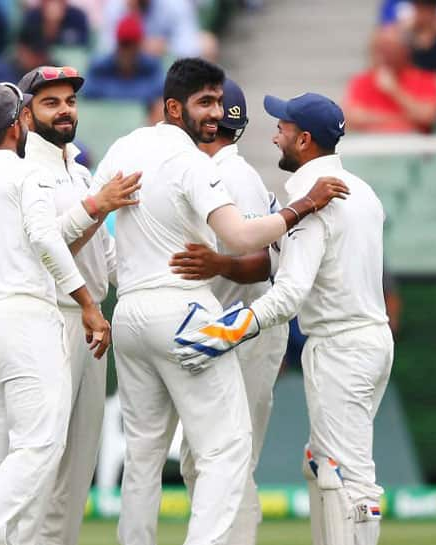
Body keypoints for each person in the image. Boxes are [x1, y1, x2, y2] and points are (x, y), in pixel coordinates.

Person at [93, 58, 347, 545]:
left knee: (150, 457)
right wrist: (301, 206)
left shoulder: (133, 147)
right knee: (225, 455)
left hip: (144, 312)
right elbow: (251, 244)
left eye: (214, 104)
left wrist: (102, 286)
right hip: (198, 319)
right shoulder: (197, 165)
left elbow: (92, 221)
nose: (210, 114)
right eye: (203, 103)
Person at [174, 92, 392, 545]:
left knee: (349, 479)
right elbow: (282, 263)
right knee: (322, 463)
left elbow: (290, 293)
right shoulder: (361, 192)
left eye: (283, 129)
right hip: (364, 342)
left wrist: (224, 333)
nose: (275, 136)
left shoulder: (318, 204)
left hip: (341, 348)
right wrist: (223, 265)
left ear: (305, 140)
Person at [0, 82, 120, 545]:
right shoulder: (25, 175)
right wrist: (88, 303)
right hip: (25, 316)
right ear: (18, 124)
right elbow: (47, 240)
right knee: (41, 444)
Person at [170, 79, 290, 545]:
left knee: (228, 461)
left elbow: (266, 260)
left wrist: (218, 263)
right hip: (223, 330)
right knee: (205, 460)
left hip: (247, 330)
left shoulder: (233, 176)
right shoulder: (208, 171)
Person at [16, 65, 120, 545]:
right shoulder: (26, 173)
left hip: (90, 317)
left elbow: (103, 254)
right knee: (45, 458)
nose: (64, 111)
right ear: (26, 112)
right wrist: (98, 205)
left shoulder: (79, 171)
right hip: (50, 317)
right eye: (51, 102)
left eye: (70, 102)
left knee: (79, 465)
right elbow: (43, 250)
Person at [344, 26, 436, 133]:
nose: (382, 53)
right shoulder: (361, 81)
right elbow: (352, 118)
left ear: (405, 50)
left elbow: (427, 117)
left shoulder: (425, 79)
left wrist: (394, 90)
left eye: (389, 47)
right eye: (379, 47)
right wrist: (403, 120)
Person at [81, 14, 164, 102]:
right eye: (124, 44)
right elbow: (87, 90)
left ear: (139, 46)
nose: (128, 51)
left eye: (133, 45)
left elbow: (160, 90)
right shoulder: (99, 67)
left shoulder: (152, 67)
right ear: (118, 44)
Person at [20, 0, 91, 47]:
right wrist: (49, 24)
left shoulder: (77, 16)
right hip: (37, 61)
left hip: (68, 60)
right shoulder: (32, 15)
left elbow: (84, 45)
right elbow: (23, 44)